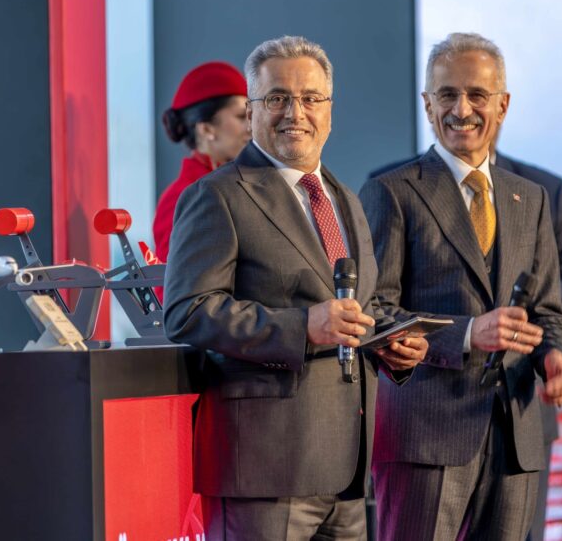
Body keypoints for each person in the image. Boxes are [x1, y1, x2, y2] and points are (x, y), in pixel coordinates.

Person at [163, 36, 428, 540]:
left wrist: (393, 343)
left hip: (348, 471)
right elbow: (187, 310)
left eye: (310, 98)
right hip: (264, 468)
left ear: (329, 111)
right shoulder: (216, 195)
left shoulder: (344, 198)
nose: (295, 113)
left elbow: (361, 304)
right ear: (251, 112)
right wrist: (302, 326)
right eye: (277, 98)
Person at [360, 32, 562, 541]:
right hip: (424, 440)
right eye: (447, 95)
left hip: (514, 438)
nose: (462, 109)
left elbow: (548, 311)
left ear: (502, 105)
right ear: (427, 104)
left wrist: (555, 357)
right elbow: (374, 313)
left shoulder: (532, 199)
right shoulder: (391, 192)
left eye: (477, 95)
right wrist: (466, 334)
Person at [153, 61, 250, 261]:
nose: (251, 127)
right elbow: (172, 277)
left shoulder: (244, 184)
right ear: (206, 129)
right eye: (242, 117)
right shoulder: (183, 197)